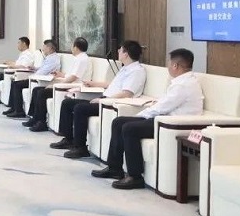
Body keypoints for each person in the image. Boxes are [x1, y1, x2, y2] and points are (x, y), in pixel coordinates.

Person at [92, 48, 203, 190]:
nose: (168, 67)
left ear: (175, 65)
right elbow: (165, 103)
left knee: (129, 128)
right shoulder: (183, 81)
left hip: (169, 124)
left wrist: (139, 116)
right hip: (163, 119)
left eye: (169, 63)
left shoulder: (183, 85)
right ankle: (114, 168)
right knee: (118, 122)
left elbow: (162, 108)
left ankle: (135, 177)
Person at [52, 40, 147, 159]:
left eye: (120, 50)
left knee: (80, 108)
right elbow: (112, 85)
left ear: (126, 54)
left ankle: (80, 148)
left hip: (110, 103)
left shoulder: (137, 71)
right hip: (105, 98)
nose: (118, 51)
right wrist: (93, 83)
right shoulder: (125, 68)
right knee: (67, 103)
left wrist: (102, 100)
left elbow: (126, 93)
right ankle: (68, 139)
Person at [25, 37, 91, 132]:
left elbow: (73, 78)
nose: (71, 48)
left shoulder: (82, 59)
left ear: (76, 47)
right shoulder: (79, 58)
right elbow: (72, 75)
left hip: (73, 87)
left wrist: (55, 85)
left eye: (72, 46)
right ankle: (35, 118)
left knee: (42, 93)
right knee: (36, 90)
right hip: (70, 84)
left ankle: (42, 122)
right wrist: (61, 74)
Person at [2, 39, 61, 118]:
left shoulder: (53, 59)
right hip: (37, 78)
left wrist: (32, 76)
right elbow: (42, 68)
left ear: (50, 48)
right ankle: (14, 108)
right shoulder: (49, 57)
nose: (42, 49)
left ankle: (19, 111)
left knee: (17, 85)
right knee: (15, 84)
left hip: (41, 80)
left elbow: (43, 72)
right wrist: (35, 68)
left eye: (44, 46)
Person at [0, 36, 36, 105]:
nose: (17, 45)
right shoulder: (23, 54)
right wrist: (8, 62)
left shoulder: (28, 54)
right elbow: (18, 63)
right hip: (13, 72)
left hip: (16, 74)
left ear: (24, 44)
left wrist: (11, 66)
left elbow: (24, 66)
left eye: (19, 43)